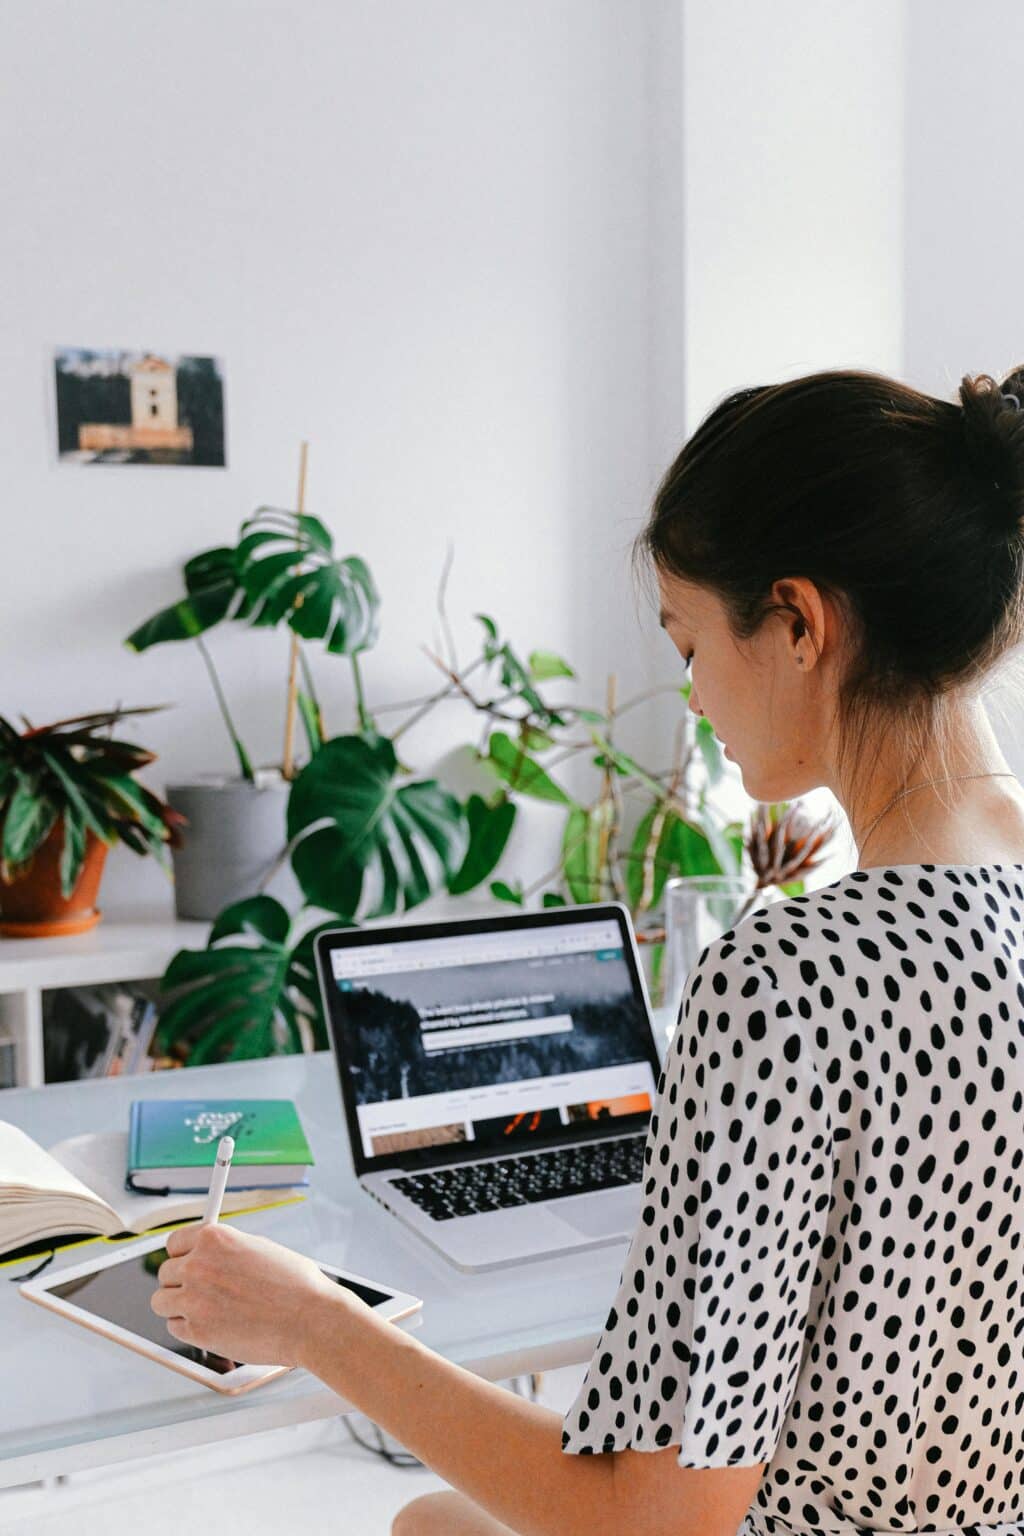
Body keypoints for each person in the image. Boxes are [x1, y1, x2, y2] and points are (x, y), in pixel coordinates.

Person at [152, 366, 1024, 1536]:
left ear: (799, 622)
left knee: (422, 1524)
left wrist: (316, 1324)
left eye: (690, 640)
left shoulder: (792, 976)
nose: (696, 694)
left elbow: (656, 1521)